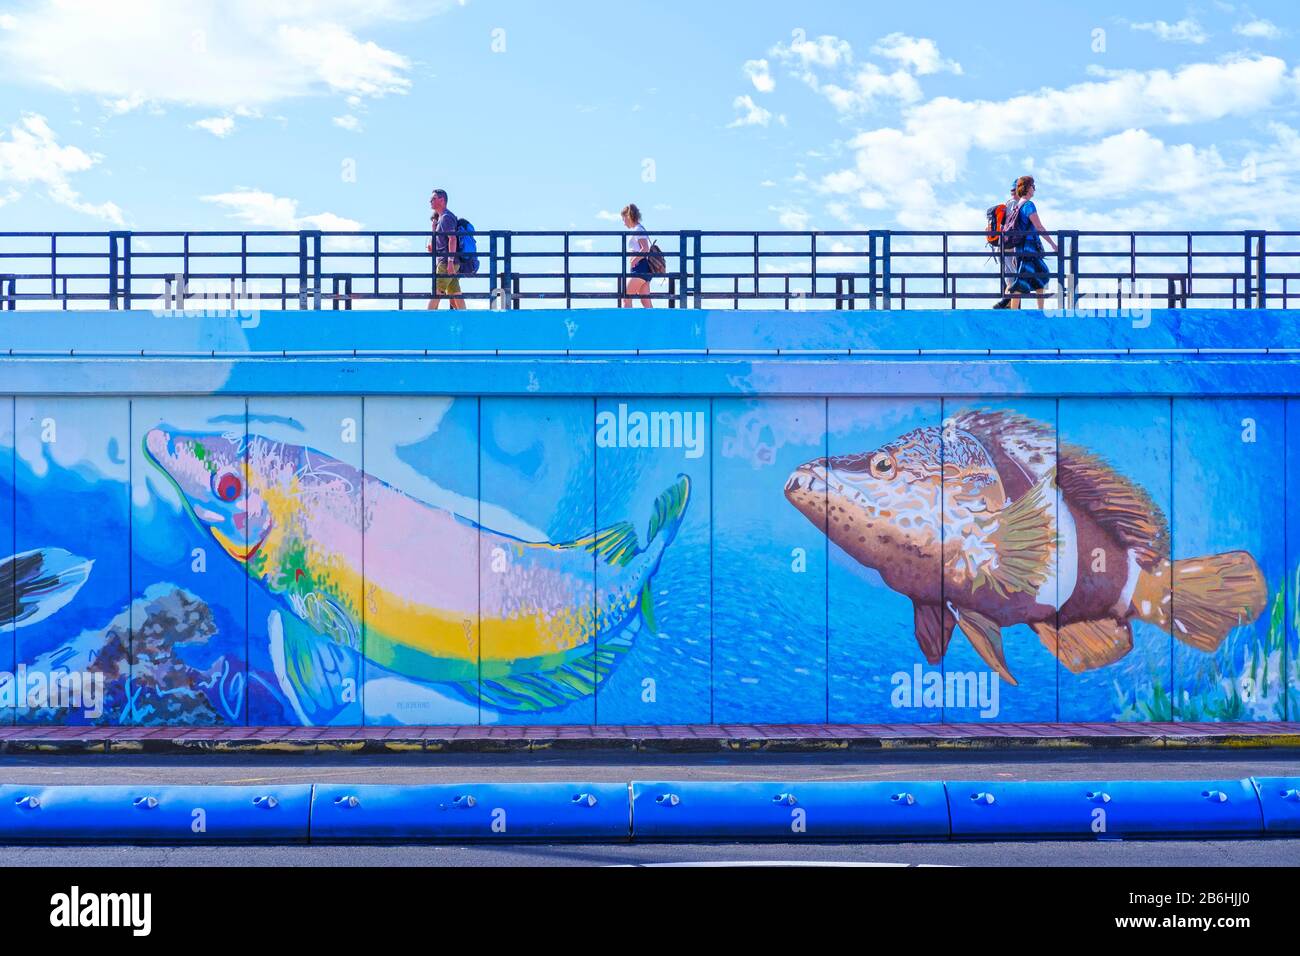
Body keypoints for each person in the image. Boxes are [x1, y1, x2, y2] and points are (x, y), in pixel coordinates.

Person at [1001, 175, 1058, 310]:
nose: (1034, 189)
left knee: (1041, 275)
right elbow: (1039, 227)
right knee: (1024, 280)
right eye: (1033, 186)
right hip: (1029, 248)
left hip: (1021, 248)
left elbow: (1016, 230)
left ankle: (1039, 310)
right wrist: (1053, 244)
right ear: (1027, 188)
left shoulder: (1017, 206)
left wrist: (1015, 254)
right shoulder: (1028, 205)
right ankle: (1014, 312)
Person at [426, 188, 465, 310]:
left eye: (433, 199)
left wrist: (450, 262)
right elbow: (436, 245)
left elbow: (452, 239)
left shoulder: (447, 217)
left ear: (442, 200)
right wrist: (433, 228)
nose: (430, 201)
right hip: (448, 262)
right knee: (455, 294)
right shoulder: (441, 218)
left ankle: (427, 322)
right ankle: (466, 320)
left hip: (446, 262)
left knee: (436, 292)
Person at [992, 182, 1020, 309]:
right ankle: (1005, 303)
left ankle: (1008, 305)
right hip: (1010, 245)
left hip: (1002, 244)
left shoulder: (1008, 203)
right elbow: (1014, 226)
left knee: (1010, 278)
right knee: (1016, 277)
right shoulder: (1015, 204)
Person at [620, 203, 653, 308]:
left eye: (623, 218)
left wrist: (634, 259)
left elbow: (645, 248)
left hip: (640, 267)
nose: (623, 222)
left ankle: (627, 324)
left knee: (626, 298)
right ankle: (656, 323)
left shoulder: (638, 229)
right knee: (645, 301)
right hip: (643, 268)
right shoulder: (639, 229)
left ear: (628, 216)